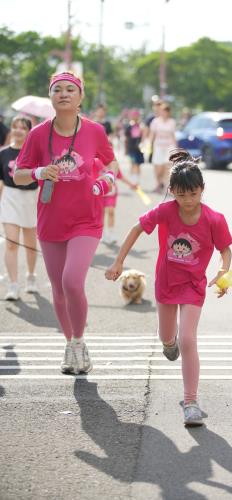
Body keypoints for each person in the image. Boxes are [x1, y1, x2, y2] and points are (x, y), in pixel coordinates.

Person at [105, 148, 232, 426]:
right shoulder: (165, 211)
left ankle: (191, 402)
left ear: (202, 189)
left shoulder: (214, 219)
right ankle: (168, 342)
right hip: (166, 283)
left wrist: (223, 273)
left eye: (193, 194)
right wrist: (118, 262)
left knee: (189, 339)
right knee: (168, 338)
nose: (187, 201)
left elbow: (225, 250)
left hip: (193, 286)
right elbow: (137, 229)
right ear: (172, 191)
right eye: (181, 194)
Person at [14, 71, 118, 374]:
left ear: (80, 97)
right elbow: (19, 174)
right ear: (50, 97)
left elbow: (110, 161)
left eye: (70, 89)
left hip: (86, 219)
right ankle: (72, 344)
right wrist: (38, 172)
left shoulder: (94, 131)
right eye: (57, 89)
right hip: (51, 220)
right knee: (58, 289)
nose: (63, 94)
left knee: (72, 281)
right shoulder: (37, 134)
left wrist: (106, 180)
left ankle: (79, 339)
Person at [0, 116, 38, 300]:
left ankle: (31, 276)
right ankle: (13, 285)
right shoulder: (3, 153)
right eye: (15, 127)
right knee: (12, 242)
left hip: (30, 199)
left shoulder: (35, 153)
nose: (18, 130)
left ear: (29, 131)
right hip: (10, 198)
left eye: (23, 127)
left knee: (31, 247)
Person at [92, 158, 137, 245]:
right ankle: (103, 233)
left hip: (111, 194)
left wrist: (131, 184)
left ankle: (111, 233)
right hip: (100, 194)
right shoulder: (97, 163)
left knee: (111, 212)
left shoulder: (114, 166)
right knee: (101, 214)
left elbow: (121, 177)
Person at [149, 102, 177, 193]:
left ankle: (165, 185)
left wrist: (176, 148)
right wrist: (149, 146)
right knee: (158, 168)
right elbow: (152, 135)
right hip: (158, 146)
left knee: (167, 166)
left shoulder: (172, 122)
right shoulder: (155, 121)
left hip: (168, 146)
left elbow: (173, 135)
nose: (165, 113)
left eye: (167, 111)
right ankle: (158, 182)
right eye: (163, 111)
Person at [124, 109, 145, 184]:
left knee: (138, 164)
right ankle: (134, 180)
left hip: (139, 148)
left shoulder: (141, 125)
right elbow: (126, 138)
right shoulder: (129, 126)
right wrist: (125, 149)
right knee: (133, 163)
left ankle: (137, 179)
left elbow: (144, 136)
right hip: (131, 147)